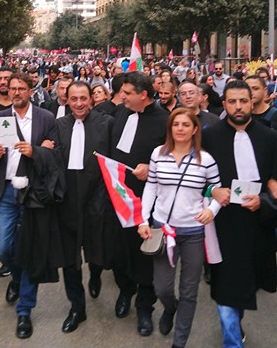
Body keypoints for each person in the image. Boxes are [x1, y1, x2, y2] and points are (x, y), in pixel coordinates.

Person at [201, 80, 277, 348]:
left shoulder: (271, 138)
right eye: (232, 102)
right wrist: (212, 190)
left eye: (243, 101)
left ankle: (234, 325)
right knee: (226, 284)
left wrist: (263, 202)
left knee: (247, 281)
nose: (238, 107)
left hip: (258, 224)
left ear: (252, 103)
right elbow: (195, 179)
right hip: (222, 222)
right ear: (224, 105)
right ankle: (232, 341)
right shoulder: (209, 137)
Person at [0, 72, 58, 339]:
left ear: (30, 90)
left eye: (21, 88)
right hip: (6, 191)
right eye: (12, 88)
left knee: (30, 250)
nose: (15, 92)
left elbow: (55, 157)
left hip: (34, 194)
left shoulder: (46, 119)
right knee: (3, 246)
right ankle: (16, 275)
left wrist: (37, 151)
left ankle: (25, 310)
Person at [138, 107, 220, 348]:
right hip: (162, 230)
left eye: (186, 125)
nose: (180, 129)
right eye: (176, 124)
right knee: (161, 286)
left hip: (194, 232)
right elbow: (151, 187)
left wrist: (211, 210)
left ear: (195, 129)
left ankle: (179, 342)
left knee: (189, 291)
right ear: (170, 128)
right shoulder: (157, 154)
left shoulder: (206, 160)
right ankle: (169, 308)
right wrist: (144, 220)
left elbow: (218, 190)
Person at [107, 72, 169, 337]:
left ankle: (145, 307)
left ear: (143, 95)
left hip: (148, 201)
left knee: (146, 256)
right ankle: (125, 291)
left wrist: (152, 167)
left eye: (127, 92)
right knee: (119, 250)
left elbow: (175, 159)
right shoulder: (121, 113)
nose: (122, 96)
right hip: (118, 196)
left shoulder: (165, 122)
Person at [53, 81, 114, 334]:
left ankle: (97, 273)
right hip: (67, 198)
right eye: (73, 99)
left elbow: (113, 161)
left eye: (83, 98)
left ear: (92, 99)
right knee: (70, 258)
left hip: (96, 196)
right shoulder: (59, 125)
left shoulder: (107, 123)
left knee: (96, 248)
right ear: (66, 100)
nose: (78, 103)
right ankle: (77, 307)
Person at [244, 75, 277, 140]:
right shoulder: (240, 117)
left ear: (265, 91)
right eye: (247, 89)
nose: (251, 92)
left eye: (255, 88)